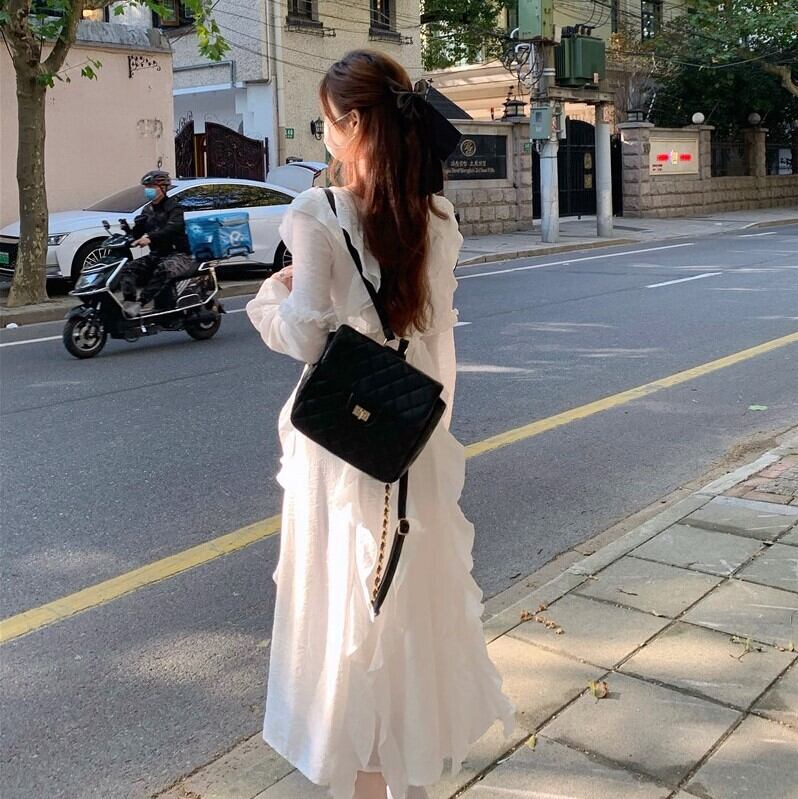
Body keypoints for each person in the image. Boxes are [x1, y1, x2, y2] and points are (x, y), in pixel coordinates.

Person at [246, 51, 514, 799]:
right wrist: (431, 429)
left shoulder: (317, 213)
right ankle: (412, 779)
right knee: (406, 613)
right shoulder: (437, 216)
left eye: (326, 123)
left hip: (341, 448)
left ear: (353, 123)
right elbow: (438, 343)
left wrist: (268, 298)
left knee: (347, 615)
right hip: (408, 437)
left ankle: (362, 779)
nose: (326, 136)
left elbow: (307, 336)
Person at [119, 170, 194, 317]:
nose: (148, 191)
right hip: (157, 254)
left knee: (162, 270)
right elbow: (137, 234)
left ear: (163, 188)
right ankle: (129, 304)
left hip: (179, 255)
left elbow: (172, 228)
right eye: (147, 188)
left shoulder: (174, 208)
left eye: (152, 187)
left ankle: (141, 303)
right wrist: (131, 232)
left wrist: (151, 237)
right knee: (127, 269)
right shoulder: (147, 210)